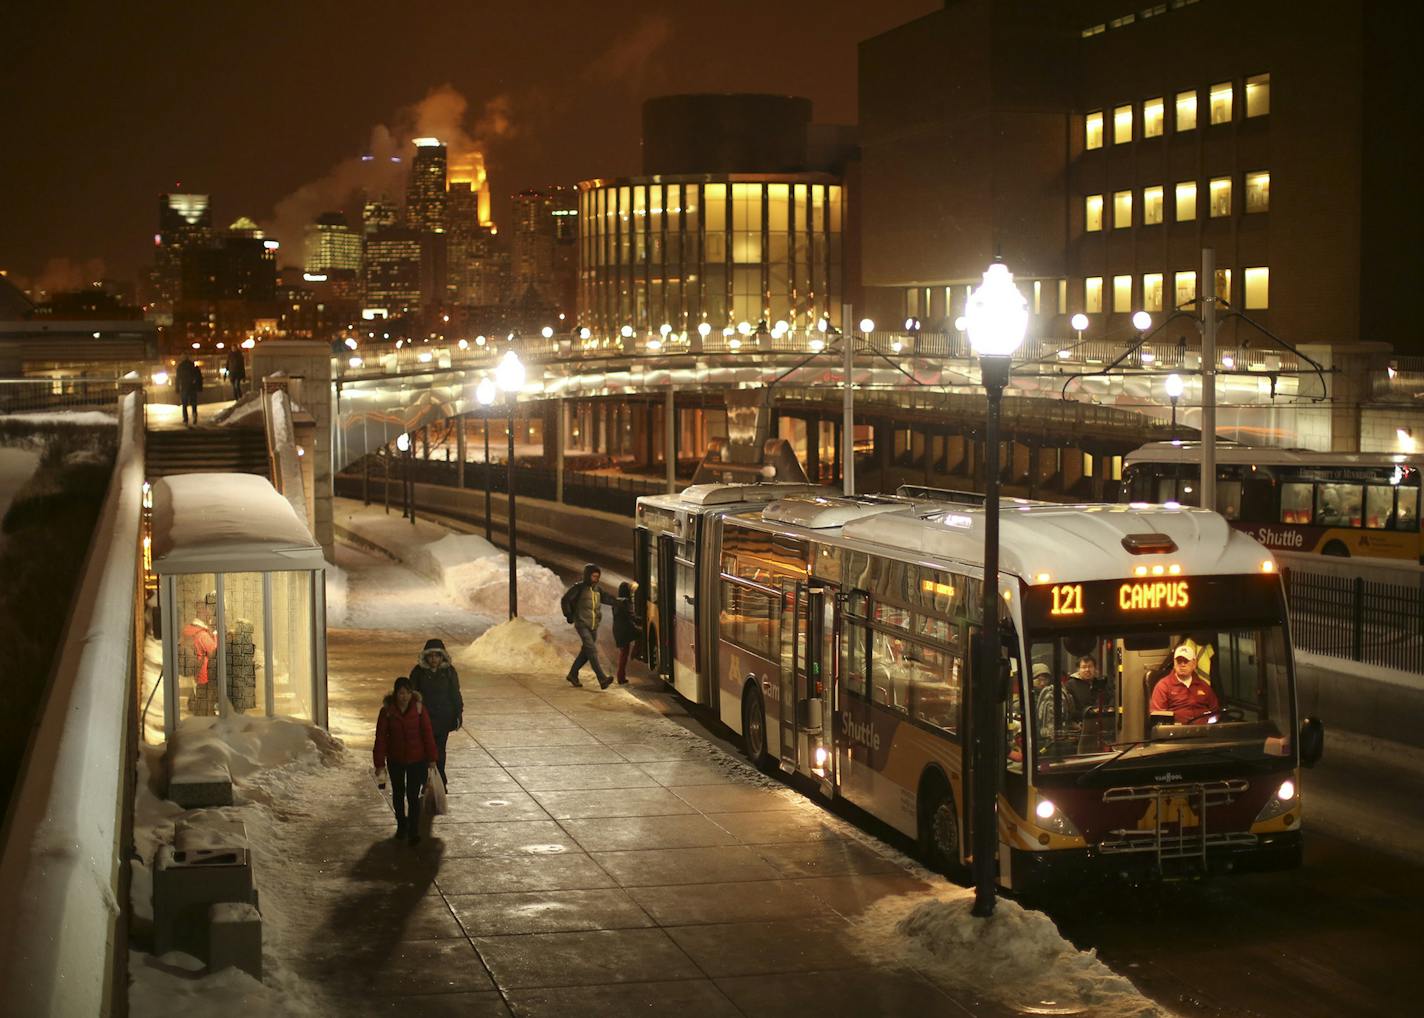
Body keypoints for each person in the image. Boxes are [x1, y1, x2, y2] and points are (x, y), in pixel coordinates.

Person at [373, 677, 438, 845]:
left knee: (412, 795)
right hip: (396, 760)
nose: (404, 696)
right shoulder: (387, 711)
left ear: (411, 693)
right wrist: (379, 764)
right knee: (398, 793)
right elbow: (380, 738)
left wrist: (432, 759)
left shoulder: (418, 709)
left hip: (416, 760)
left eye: (407, 693)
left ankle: (413, 830)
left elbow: (427, 735)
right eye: (401, 693)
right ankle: (401, 824)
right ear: (396, 694)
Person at [409, 638, 462, 788]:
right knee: (425, 751)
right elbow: (413, 694)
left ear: (442, 657)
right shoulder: (418, 672)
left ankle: (440, 781)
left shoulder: (449, 672)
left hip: (443, 718)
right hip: (425, 719)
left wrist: (458, 713)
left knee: (440, 751)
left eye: (437, 656)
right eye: (431, 656)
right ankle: (426, 780)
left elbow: (455, 693)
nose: (434, 659)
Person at [560, 563, 610, 689]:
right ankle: (602, 679)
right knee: (592, 650)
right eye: (593, 576)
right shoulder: (579, 588)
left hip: (593, 625)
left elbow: (608, 599)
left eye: (597, 576)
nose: (596, 579)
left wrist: (621, 603)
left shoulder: (597, 590)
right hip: (581, 623)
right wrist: (569, 615)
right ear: (588, 576)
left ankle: (572, 674)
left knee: (586, 651)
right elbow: (565, 600)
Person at [1149, 644, 1220, 725]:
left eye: (1186, 661)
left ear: (1194, 663)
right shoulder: (1163, 686)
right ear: (1174, 663)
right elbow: (1158, 717)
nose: (1182, 665)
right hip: (1176, 733)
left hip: (1203, 731)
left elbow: (1215, 712)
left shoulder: (1204, 686)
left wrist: (1209, 725)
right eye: (1179, 661)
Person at [180, 593, 218, 715]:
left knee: (200, 700)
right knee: (206, 707)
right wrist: (216, 635)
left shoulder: (189, 630)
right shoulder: (202, 634)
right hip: (204, 675)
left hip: (195, 673)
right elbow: (214, 652)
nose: (210, 614)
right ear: (202, 612)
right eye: (208, 610)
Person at [610, 581, 641, 685]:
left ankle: (621, 676)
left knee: (623, 653)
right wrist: (642, 620)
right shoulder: (625, 602)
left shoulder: (616, 601)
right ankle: (636, 652)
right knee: (640, 635)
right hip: (626, 629)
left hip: (617, 629)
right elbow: (631, 616)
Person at [176, 356, 203, 426]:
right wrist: (199, 387)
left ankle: (185, 419)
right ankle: (194, 414)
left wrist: (177, 388)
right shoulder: (193, 366)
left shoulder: (180, 367)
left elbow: (177, 378)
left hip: (184, 387)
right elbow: (198, 377)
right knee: (194, 403)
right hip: (192, 387)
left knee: (184, 404)